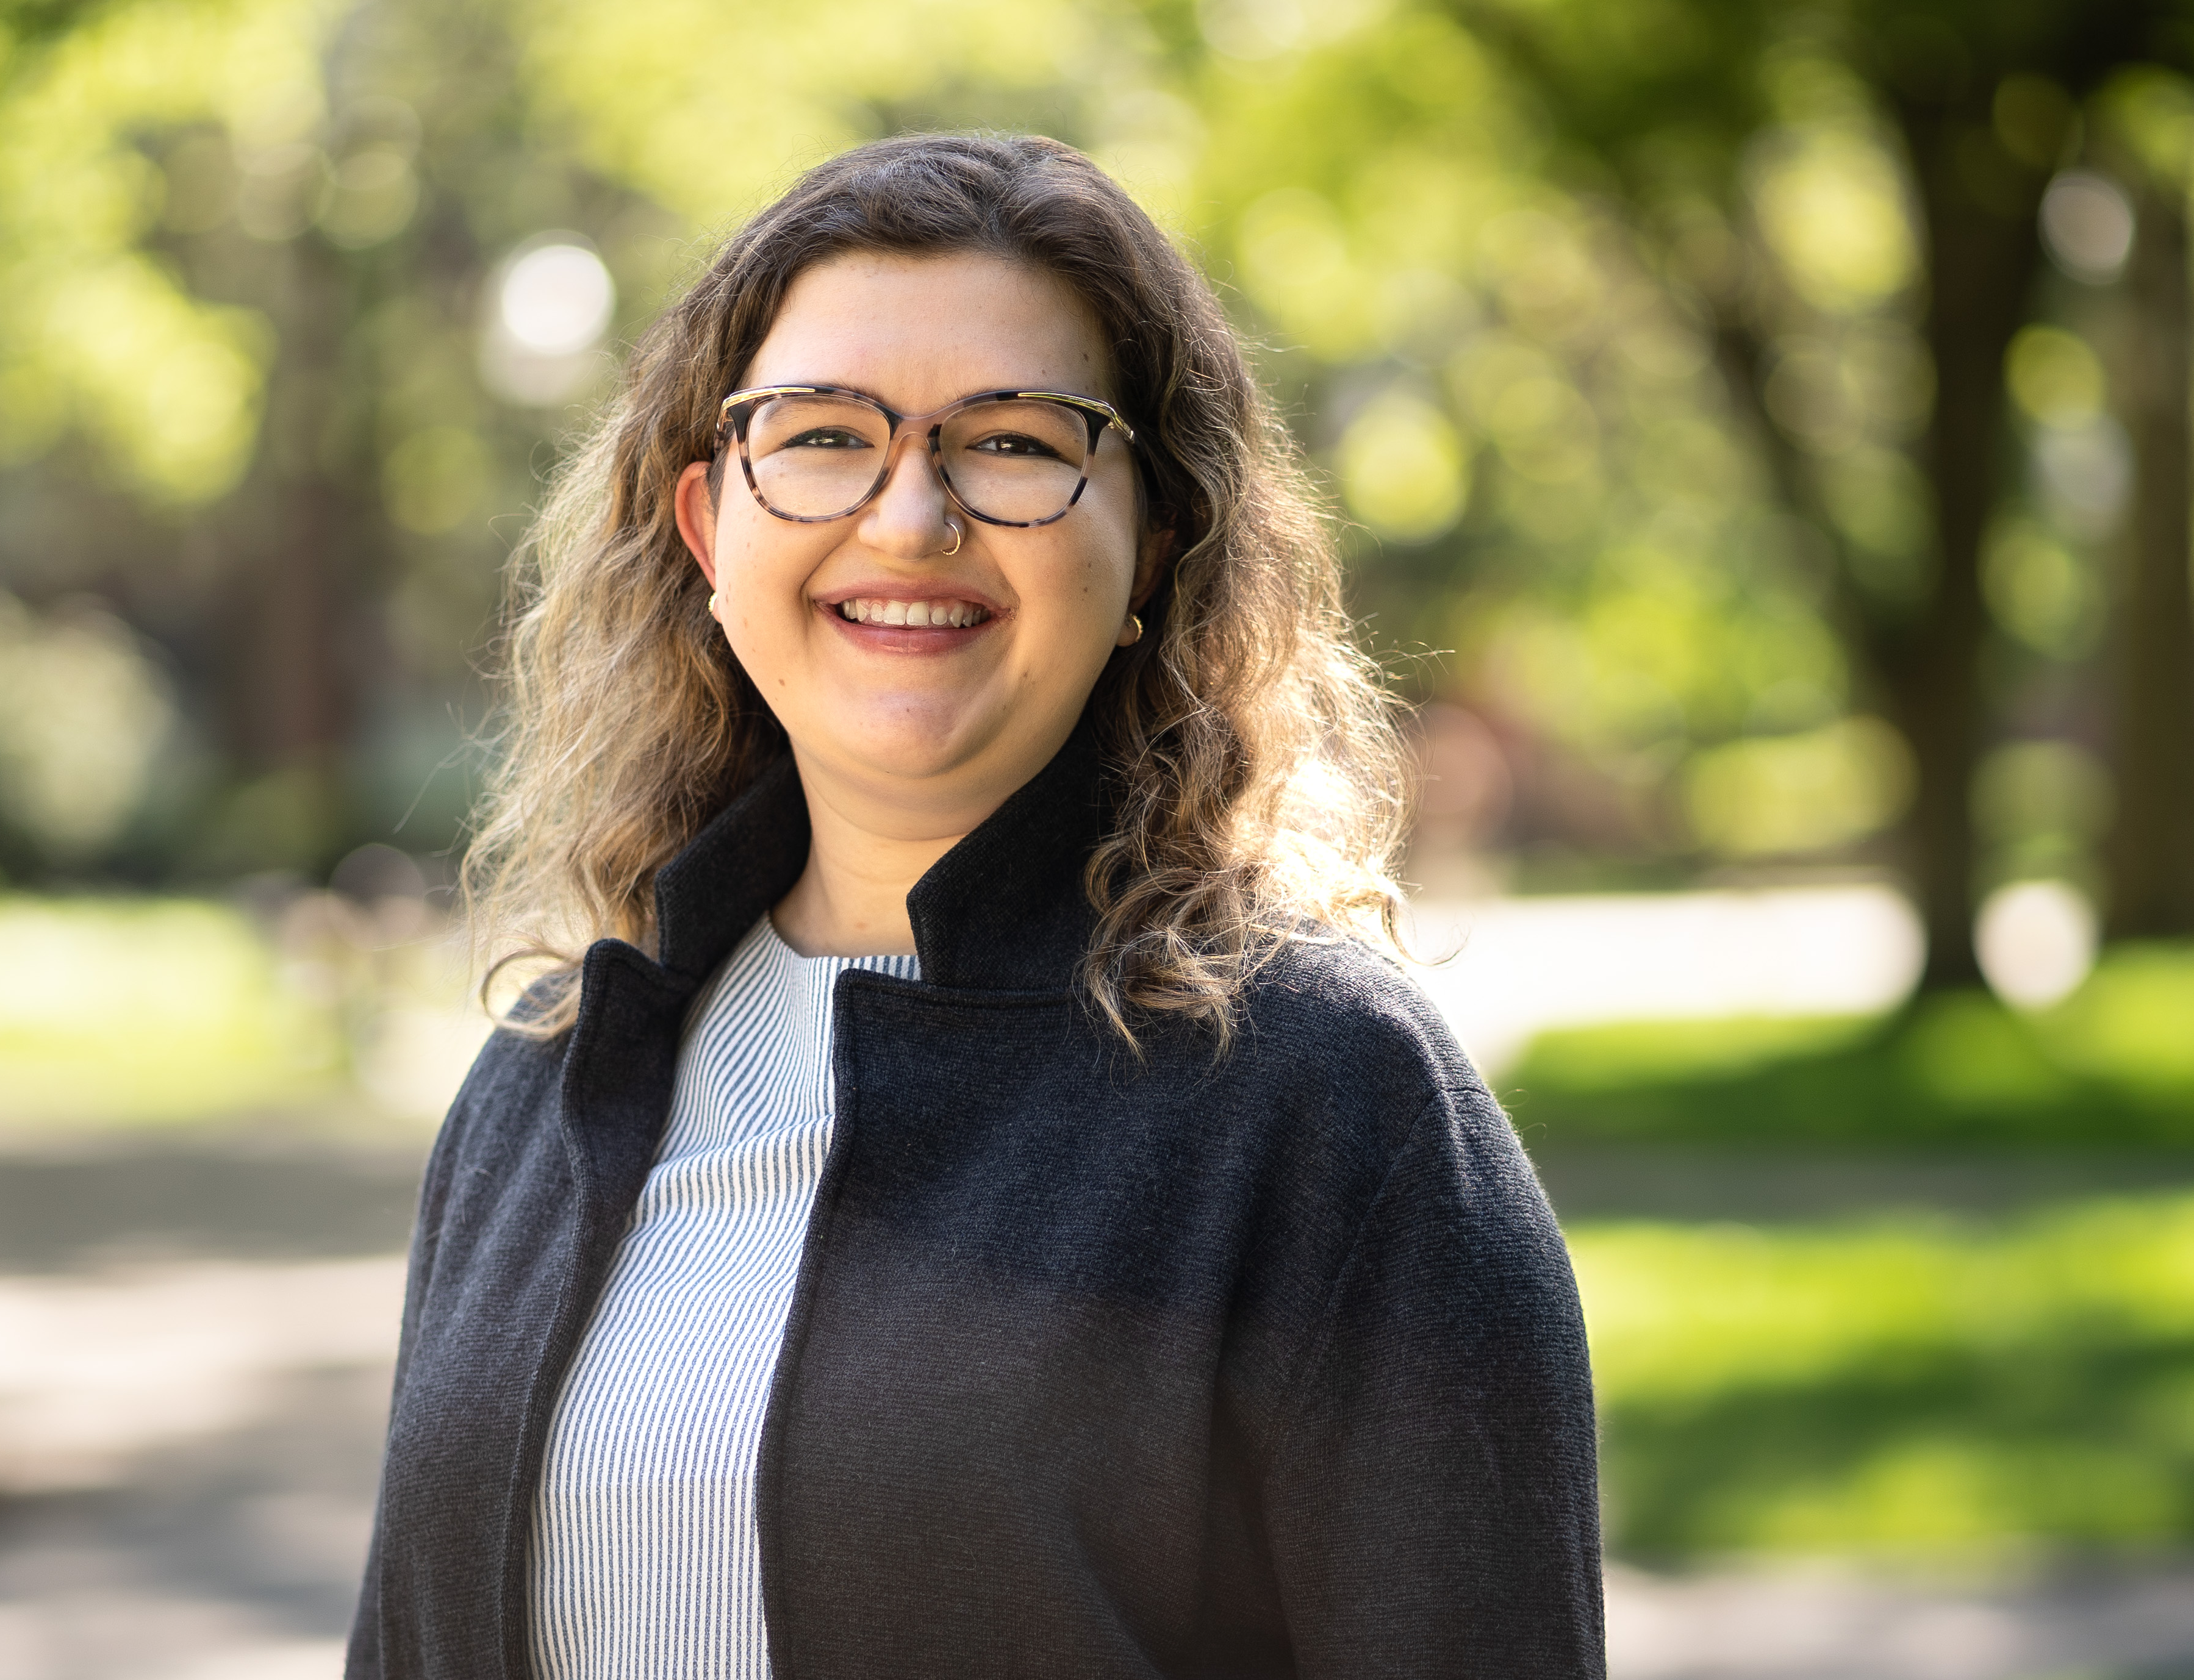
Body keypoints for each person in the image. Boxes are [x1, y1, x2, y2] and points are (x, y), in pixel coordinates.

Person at [348, 132, 1602, 1679]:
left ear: (1153, 534)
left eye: (1010, 441)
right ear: (705, 530)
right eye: (818, 435)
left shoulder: (1325, 1102)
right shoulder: (543, 1088)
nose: (907, 519)